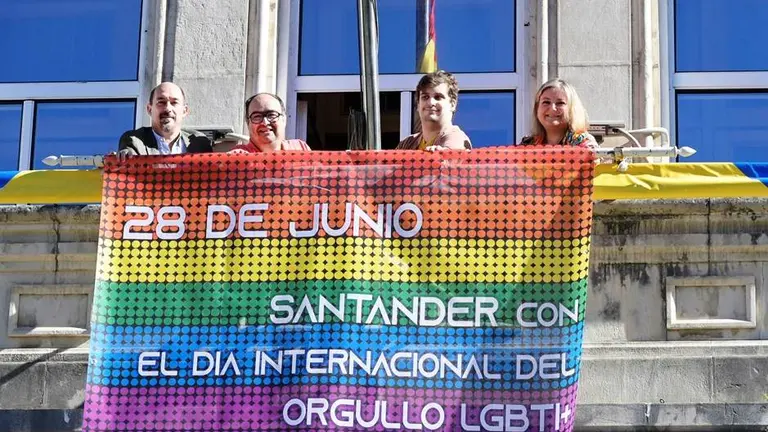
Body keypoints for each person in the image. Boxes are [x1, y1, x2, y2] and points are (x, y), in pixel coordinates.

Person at [117, 82, 213, 158]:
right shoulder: (134, 140)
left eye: (174, 102)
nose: (167, 108)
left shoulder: (200, 143)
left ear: (185, 110)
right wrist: (125, 158)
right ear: (149, 109)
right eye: (161, 102)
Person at [396, 70, 472, 151]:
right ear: (418, 104)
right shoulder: (407, 143)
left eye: (438, 97)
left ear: (453, 104)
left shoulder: (456, 138)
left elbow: (451, 155)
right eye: (425, 97)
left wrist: (440, 156)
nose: (431, 102)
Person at [520, 78, 598, 151]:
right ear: (537, 108)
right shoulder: (527, 146)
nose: (552, 108)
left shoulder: (584, 144)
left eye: (560, 103)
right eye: (546, 102)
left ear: (572, 109)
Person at [229, 93, 311, 153]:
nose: (265, 122)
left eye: (272, 115)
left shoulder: (300, 148)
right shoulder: (236, 158)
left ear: (284, 120)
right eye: (257, 116)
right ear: (248, 123)